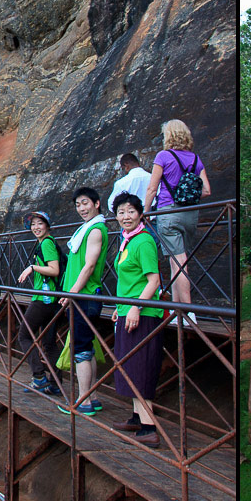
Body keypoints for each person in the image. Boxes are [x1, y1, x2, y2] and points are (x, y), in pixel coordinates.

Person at [143, 119, 211, 324]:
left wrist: (146, 214)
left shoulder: (163, 156)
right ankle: (175, 311)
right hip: (190, 214)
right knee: (177, 262)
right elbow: (207, 190)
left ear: (169, 136)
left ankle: (188, 312)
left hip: (168, 213)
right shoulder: (195, 159)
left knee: (179, 263)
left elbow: (152, 189)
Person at [110, 193, 165, 448]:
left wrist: (134, 307)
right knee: (130, 365)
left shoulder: (143, 242)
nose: (126, 217)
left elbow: (153, 280)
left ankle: (149, 428)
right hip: (128, 311)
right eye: (121, 212)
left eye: (131, 211)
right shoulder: (127, 241)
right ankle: (137, 417)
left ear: (140, 213)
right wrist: (121, 308)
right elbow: (129, 281)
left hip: (143, 314)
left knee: (140, 367)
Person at [57, 188, 109, 416]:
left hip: (84, 297)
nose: (81, 208)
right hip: (83, 296)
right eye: (78, 204)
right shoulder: (86, 229)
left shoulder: (96, 230)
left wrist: (72, 293)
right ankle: (92, 396)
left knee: (81, 350)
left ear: (97, 203)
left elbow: (89, 266)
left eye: (85, 203)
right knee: (85, 346)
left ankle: (84, 400)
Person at [15, 211, 63, 395]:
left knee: (24, 336)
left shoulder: (47, 243)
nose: (36, 227)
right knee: (49, 343)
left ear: (47, 225)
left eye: (39, 223)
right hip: (52, 299)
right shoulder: (44, 243)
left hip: (44, 299)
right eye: (33, 224)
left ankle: (39, 377)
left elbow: (54, 270)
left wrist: (32, 268)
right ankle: (56, 383)